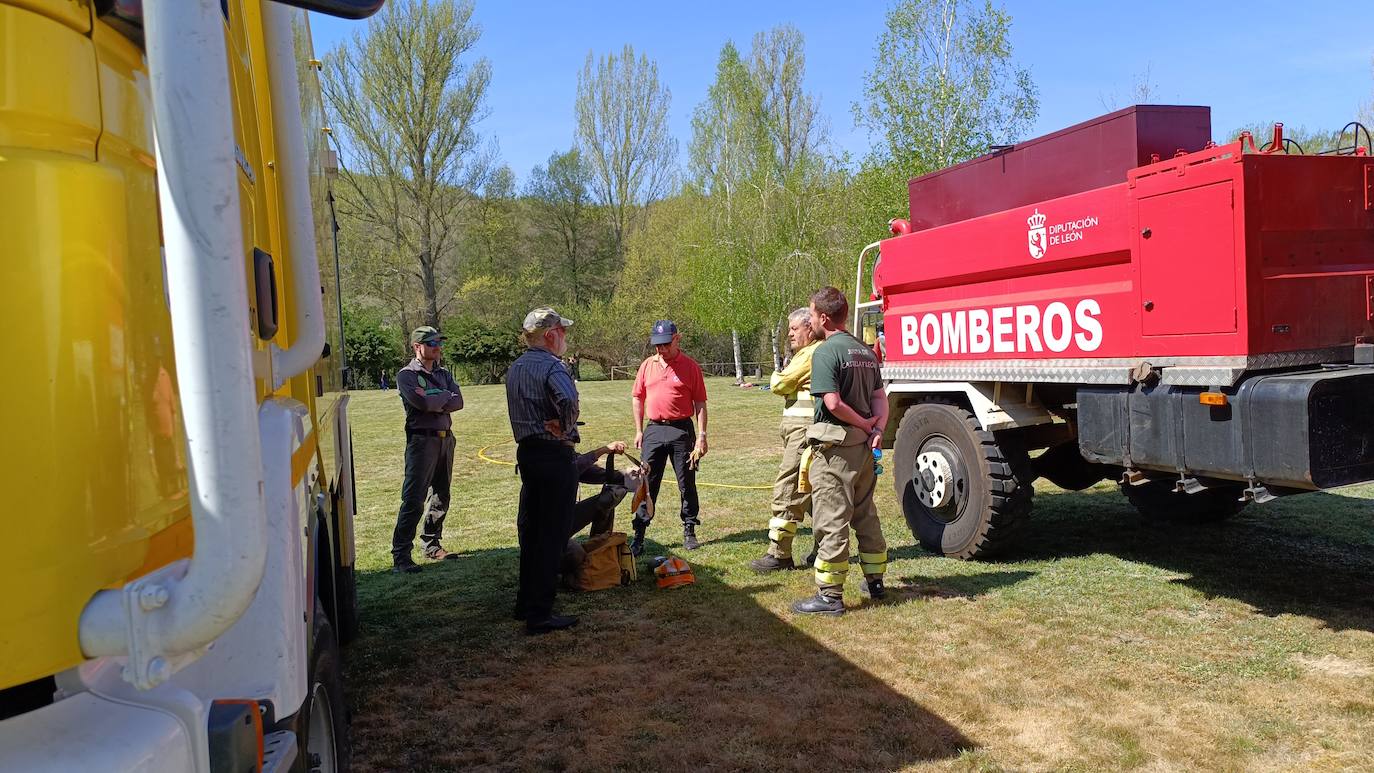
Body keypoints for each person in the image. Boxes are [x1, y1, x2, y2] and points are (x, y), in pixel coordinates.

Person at [791, 287, 890, 616]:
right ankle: (875, 582)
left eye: (810, 314)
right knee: (865, 515)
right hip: (863, 451)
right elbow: (881, 400)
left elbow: (831, 402)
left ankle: (830, 596)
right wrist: (876, 429)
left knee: (831, 519)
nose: (809, 320)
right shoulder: (865, 351)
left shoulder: (825, 352)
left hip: (836, 450)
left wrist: (863, 424)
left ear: (823, 317)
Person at [506, 307, 582, 635]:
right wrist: (565, 427)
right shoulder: (553, 367)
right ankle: (540, 613)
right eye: (562, 332)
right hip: (554, 457)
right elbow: (567, 402)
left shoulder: (516, 368)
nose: (565, 337)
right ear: (550, 335)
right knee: (553, 536)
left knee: (532, 533)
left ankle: (525, 602)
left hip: (528, 455)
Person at [749, 307, 822, 572]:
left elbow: (780, 383)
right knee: (814, 493)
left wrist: (780, 378)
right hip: (800, 430)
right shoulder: (805, 354)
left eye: (794, 329)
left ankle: (779, 554)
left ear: (809, 329)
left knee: (788, 487)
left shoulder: (809, 354)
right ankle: (823, 550)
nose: (790, 334)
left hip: (803, 432)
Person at [629, 320, 708, 555]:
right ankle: (639, 534)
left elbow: (700, 403)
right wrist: (639, 429)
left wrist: (702, 436)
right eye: (656, 345)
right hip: (653, 430)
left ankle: (689, 529)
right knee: (646, 484)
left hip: (681, 431)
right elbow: (637, 397)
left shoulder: (691, 367)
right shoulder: (647, 366)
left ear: (676, 339)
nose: (660, 350)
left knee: (687, 483)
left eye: (665, 344)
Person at [391, 326, 464, 573]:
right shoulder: (407, 375)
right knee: (414, 498)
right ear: (417, 346)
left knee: (442, 494)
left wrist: (435, 396)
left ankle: (432, 545)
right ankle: (401, 555)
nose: (437, 347)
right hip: (422, 442)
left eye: (439, 343)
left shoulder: (444, 374)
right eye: (432, 343)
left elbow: (458, 401)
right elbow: (421, 402)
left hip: (446, 439)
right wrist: (441, 397)